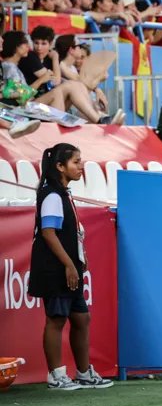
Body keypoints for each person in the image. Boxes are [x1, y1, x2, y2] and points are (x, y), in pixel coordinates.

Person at [28, 143, 113, 390]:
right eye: (76, 162)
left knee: (81, 317)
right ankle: (56, 375)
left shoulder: (64, 193)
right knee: (56, 319)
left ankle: (84, 373)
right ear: (60, 166)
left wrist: (78, 259)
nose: (81, 166)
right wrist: (69, 265)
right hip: (55, 268)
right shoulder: (52, 194)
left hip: (69, 268)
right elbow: (48, 233)